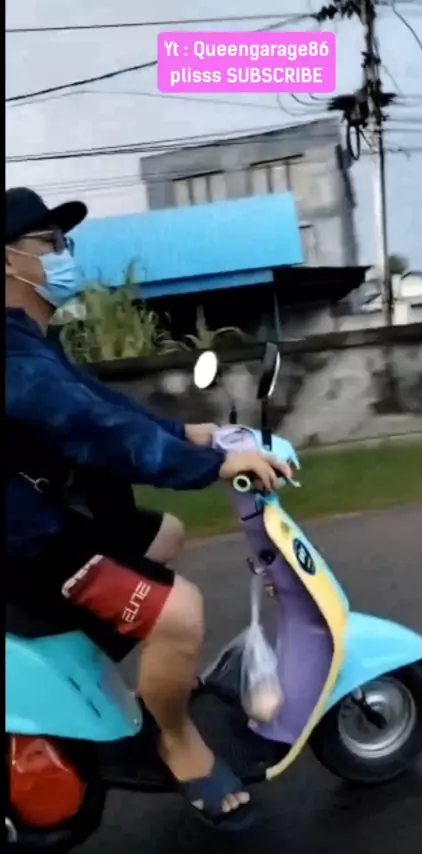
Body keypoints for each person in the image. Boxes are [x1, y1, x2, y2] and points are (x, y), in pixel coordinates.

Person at [5, 187, 291, 829]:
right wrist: (212, 466)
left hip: (44, 519)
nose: (63, 255)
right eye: (50, 243)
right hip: (27, 542)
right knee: (179, 613)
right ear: (8, 261)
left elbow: (104, 404)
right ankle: (176, 741)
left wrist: (188, 434)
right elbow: (95, 430)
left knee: (164, 535)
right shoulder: (12, 358)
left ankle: (95, 682)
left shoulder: (31, 340)